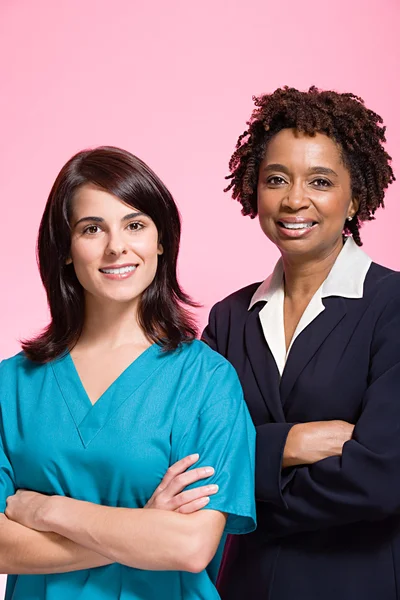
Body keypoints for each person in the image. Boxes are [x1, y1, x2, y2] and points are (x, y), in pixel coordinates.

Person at [0, 146, 256, 600]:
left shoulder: (207, 382)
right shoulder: (11, 386)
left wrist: (46, 510)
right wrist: (142, 529)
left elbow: (190, 545)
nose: (116, 246)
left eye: (135, 225)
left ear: (161, 240)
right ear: (64, 249)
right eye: (92, 228)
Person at [202, 86, 399, 599]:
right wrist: (288, 445)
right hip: (245, 586)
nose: (294, 199)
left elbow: (380, 479)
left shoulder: (394, 306)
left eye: (320, 181)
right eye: (276, 180)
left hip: (360, 583)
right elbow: (193, 462)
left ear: (356, 195)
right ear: (254, 190)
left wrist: (241, 491)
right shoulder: (228, 320)